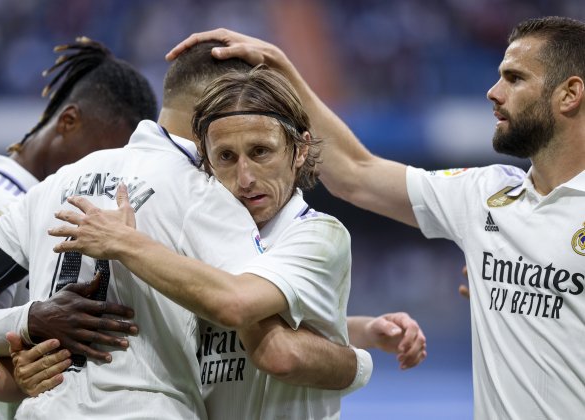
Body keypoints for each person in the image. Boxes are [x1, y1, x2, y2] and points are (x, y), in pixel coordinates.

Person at [0, 41, 424, 419]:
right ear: (219, 111)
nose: (243, 176)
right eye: (228, 155)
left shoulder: (57, 185)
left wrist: (27, 320)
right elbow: (249, 318)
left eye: (260, 152)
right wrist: (359, 361)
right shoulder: (204, 197)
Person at [166, 16, 585, 420]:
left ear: (569, 94)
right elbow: (356, 174)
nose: (493, 92)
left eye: (515, 78)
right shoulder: (487, 193)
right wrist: (281, 67)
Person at [0, 37, 156, 419]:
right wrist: (34, 319)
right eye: (100, 154)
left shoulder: (42, 202)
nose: (104, 172)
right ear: (68, 121)